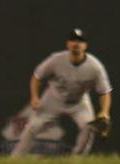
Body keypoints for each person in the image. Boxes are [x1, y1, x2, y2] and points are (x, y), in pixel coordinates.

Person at [10, 28, 113, 156]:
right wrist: (35, 97)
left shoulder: (95, 67)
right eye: (73, 40)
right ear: (68, 44)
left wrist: (105, 111)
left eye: (80, 41)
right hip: (53, 99)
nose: (76, 44)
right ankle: (15, 159)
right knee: (32, 127)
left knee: (89, 127)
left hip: (79, 102)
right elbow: (37, 77)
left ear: (85, 46)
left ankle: (77, 162)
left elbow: (105, 92)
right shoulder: (56, 60)